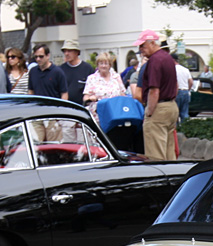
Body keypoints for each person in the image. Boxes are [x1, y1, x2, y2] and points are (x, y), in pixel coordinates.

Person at [135, 29, 178, 161]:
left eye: (143, 45)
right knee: (169, 152)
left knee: (156, 156)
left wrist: (149, 111)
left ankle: (160, 181)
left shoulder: (154, 60)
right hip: (171, 106)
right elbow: (175, 85)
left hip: (158, 108)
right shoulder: (168, 58)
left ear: (152, 43)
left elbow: (154, 90)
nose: (141, 49)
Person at [82, 52, 127, 126]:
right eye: (101, 63)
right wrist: (91, 98)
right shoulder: (92, 78)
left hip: (115, 114)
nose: (103, 66)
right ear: (98, 65)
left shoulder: (116, 77)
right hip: (98, 116)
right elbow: (85, 98)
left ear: (110, 65)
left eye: (106, 63)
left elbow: (123, 94)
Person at [59, 39, 93, 105]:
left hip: (82, 108)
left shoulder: (88, 69)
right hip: (65, 108)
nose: (66, 54)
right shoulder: (60, 70)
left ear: (77, 52)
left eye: (69, 51)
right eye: (64, 51)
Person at [173, 53, 193, 121]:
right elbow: (191, 82)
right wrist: (188, 89)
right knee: (184, 113)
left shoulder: (172, 69)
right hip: (185, 91)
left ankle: (175, 130)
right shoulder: (185, 69)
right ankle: (185, 128)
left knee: (175, 113)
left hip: (177, 92)